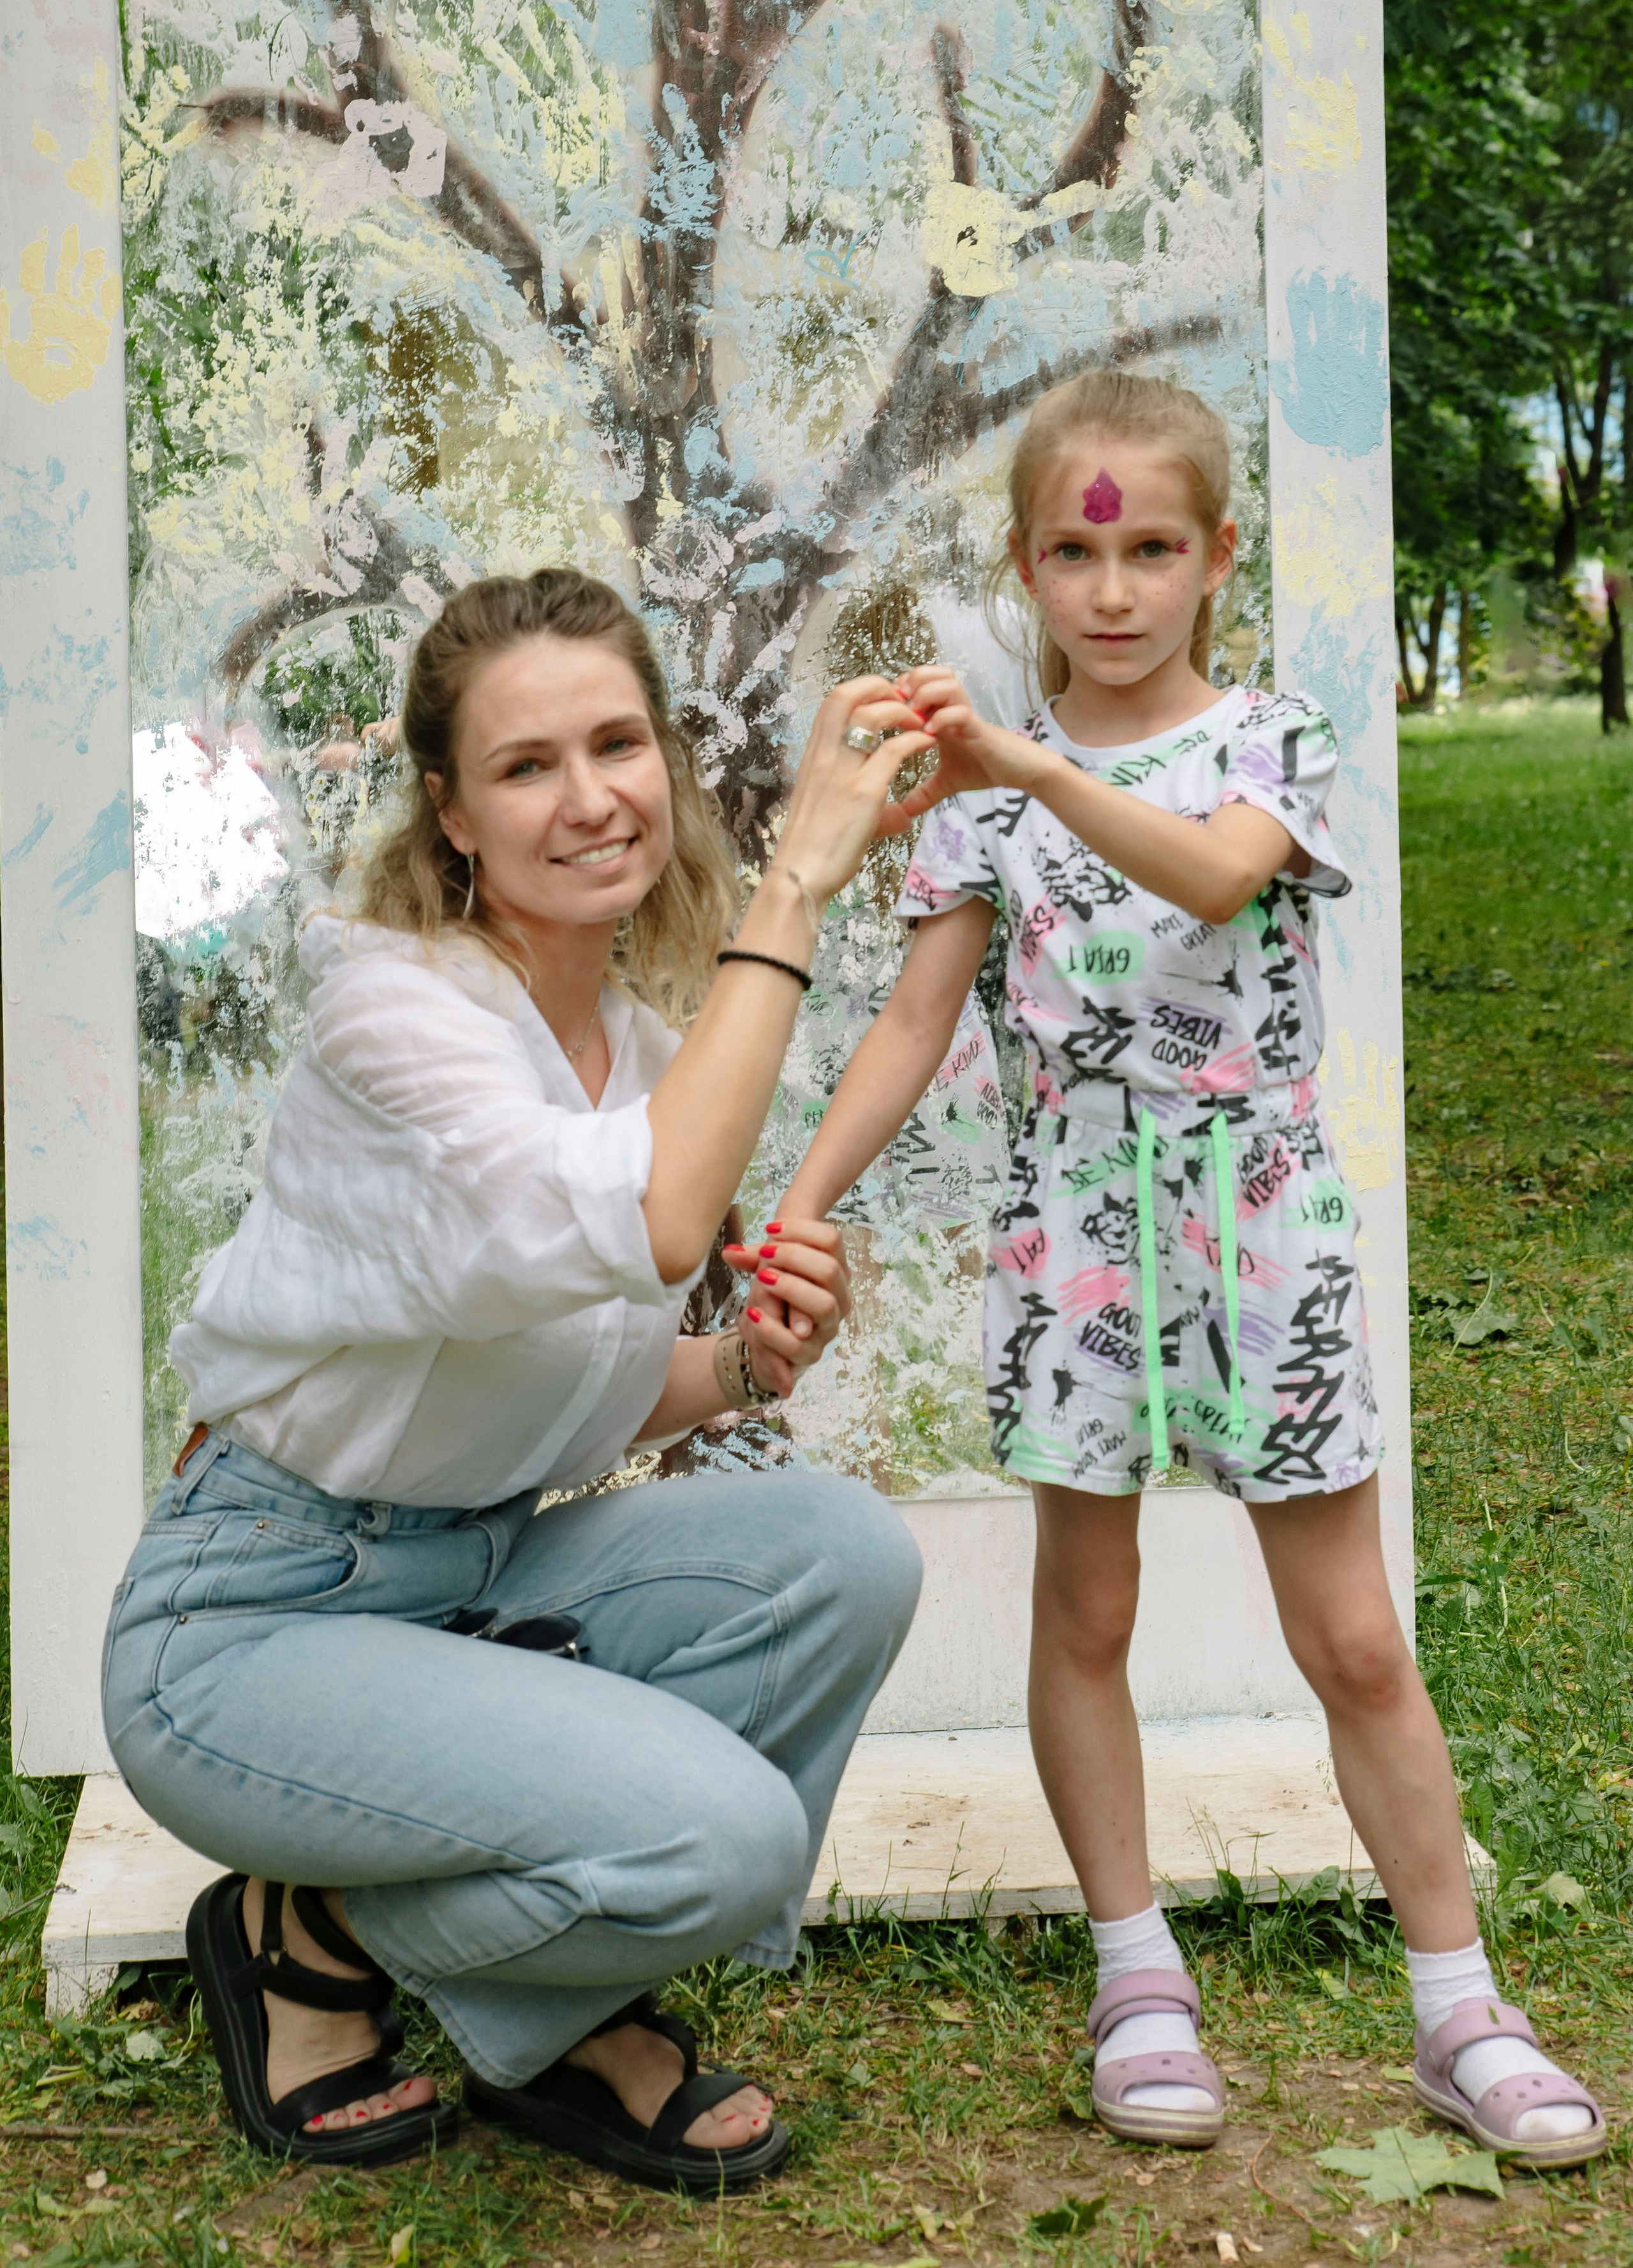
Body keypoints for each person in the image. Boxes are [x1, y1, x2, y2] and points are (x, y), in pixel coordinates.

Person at [774, 371, 1606, 2168]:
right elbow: (917, 1026)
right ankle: (1135, 1977)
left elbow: (1222, 884)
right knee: (1087, 1614)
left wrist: (1035, 765)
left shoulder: (1271, 745)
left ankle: (1461, 2010)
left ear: (1218, 557)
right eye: (1079, 553)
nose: (1119, 587)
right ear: (1027, 571)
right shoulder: (976, 803)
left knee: (1358, 1636)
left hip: (1262, 1232)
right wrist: (806, 1200)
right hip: (1074, 1239)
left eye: (1156, 546)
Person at [101, 568, 933, 2193]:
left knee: (842, 1556)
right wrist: (798, 888)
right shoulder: (391, 1012)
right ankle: (315, 1932)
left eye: (617, 743)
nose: (589, 797)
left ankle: (502, 1987)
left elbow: (568, 1382)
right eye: (525, 765)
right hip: (261, 1609)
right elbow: (654, 1214)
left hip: (473, 1558)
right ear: (451, 813)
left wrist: (742, 1363)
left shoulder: (622, 1037)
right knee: (726, 1837)